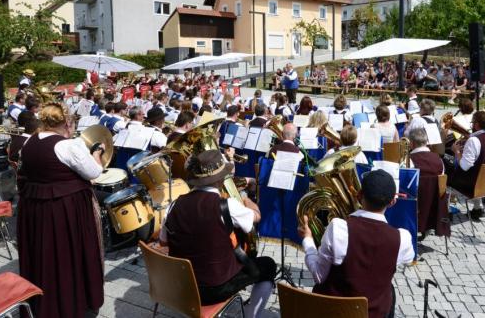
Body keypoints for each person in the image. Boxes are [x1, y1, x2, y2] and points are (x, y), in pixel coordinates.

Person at [161, 150, 277, 317]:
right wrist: (246, 199)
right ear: (221, 179)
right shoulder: (227, 205)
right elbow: (256, 217)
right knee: (268, 265)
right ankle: (251, 314)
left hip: (182, 284)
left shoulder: (173, 205)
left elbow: (164, 243)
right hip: (215, 288)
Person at [17, 103, 105, 317]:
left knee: (44, 252)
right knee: (67, 254)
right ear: (66, 122)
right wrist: (98, 152)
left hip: (35, 209)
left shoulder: (29, 141)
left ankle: (44, 300)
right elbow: (94, 172)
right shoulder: (68, 146)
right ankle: (70, 300)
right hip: (64, 210)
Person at [299, 170, 414, 318]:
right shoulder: (402, 238)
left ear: (359, 195)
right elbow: (407, 259)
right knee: (390, 290)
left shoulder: (337, 227)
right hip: (374, 314)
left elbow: (319, 276)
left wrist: (308, 240)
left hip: (333, 312)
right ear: (392, 202)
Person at [447, 110, 485, 222]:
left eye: (472, 123)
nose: (471, 125)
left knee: (446, 171)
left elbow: (464, 167)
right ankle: (478, 208)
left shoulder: (474, 140)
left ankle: (445, 212)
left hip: (474, 185)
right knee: (477, 172)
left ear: (477, 125)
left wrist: (456, 152)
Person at [406, 128, 447, 240]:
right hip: (435, 207)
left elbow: (406, 186)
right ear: (426, 142)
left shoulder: (409, 161)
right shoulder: (439, 160)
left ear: (412, 143)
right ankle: (428, 226)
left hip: (416, 206)